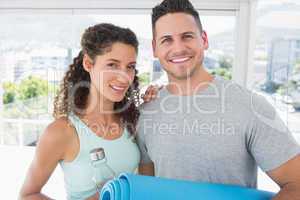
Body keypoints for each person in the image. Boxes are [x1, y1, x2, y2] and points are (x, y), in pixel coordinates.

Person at [137, 0, 300, 199]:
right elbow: (149, 189)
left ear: (204, 39)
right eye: (167, 40)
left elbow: (296, 184)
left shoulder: (250, 106)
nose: (178, 48)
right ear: (155, 48)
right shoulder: (147, 113)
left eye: (187, 36)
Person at [20, 23, 144, 200]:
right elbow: (27, 195)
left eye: (130, 66)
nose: (124, 76)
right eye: (112, 65)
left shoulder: (131, 121)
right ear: (88, 63)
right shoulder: (62, 131)